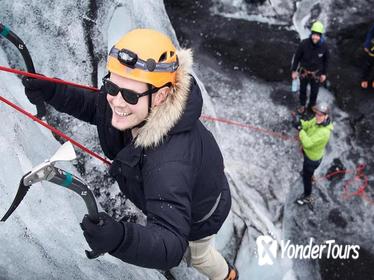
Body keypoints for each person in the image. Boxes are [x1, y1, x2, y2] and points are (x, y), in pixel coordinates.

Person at [22, 29, 238, 280]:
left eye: (130, 95)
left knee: (198, 256)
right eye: (112, 86)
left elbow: (171, 244)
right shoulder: (130, 103)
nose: (117, 101)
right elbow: (96, 107)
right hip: (173, 188)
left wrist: (121, 238)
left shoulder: (169, 163)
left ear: (161, 95)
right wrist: (52, 91)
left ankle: (227, 275)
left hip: (202, 213)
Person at [296, 102, 333, 205]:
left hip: (312, 159)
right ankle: (310, 175)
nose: (317, 117)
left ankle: (307, 196)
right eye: (316, 114)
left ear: (326, 116)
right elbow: (308, 125)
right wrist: (300, 123)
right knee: (307, 172)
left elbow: (308, 143)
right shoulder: (317, 121)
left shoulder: (324, 132)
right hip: (309, 154)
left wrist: (300, 130)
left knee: (306, 178)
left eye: (320, 115)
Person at [291, 21, 329, 115]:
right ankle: (302, 105)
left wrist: (324, 73)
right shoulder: (304, 44)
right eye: (314, 35)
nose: (315, 37)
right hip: (304, 72)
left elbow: (326, 60)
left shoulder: (324, 46)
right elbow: (297, 57)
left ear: (320, 36)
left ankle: (312, 106)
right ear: (311, 34)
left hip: (316, 73)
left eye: (317, 35)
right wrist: (294, 70)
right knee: (303, 89)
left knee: (314, 91)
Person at [361, 23, 374, 89]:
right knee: (368, 64)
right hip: (372, 50)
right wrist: (367, 44)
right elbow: (370, 33)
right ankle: (364, 79)